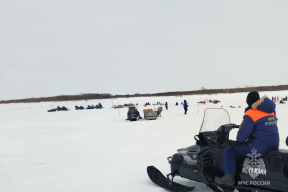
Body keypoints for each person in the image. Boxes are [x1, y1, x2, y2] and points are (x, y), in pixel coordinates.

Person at [215, 91, 279, 185]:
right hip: (274, 144)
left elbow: (241, 138)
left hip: (259, 148)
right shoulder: (270, 111)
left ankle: (228, 177)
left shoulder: (251, 113)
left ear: (249, 102)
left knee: (229, 147)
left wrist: (242, 127)